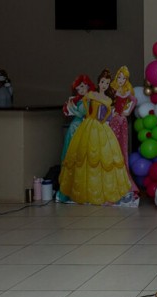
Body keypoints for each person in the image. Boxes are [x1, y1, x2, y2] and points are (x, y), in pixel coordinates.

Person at [58, 69, 131, 205]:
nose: (104, 85)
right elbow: (85, 101)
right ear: (98, 82)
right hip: (89, 123)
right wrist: (89, 115)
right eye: (102, 82)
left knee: (104, 156)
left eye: (107, 83)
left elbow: (108, 112)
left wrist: (103, 120)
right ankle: (84, 191)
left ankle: (103, 190)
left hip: (100, 126)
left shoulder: (108, 99)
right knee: (84, 154)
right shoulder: (92, 94)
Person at [57, 74, 96, 202]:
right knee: (72, 157)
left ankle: (83, 192)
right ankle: (70, 191)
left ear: (88, 86)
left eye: (82, 86)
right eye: (78, 88)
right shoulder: (78, 99)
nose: (80, 89)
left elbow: (83, 113)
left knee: (83, 158)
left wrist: (72, 107)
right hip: (75, 129)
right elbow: (71, 112)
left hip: (84, 129)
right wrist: (69, 106)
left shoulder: (90, 99)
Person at [109, 66, 139, 195]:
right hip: (113, 120)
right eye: (119, 77)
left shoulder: (127, 93)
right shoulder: (113, 91)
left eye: (124, 78)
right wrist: (112, 112)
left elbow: (134, 100)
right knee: (112, 144)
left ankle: (122, 175)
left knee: (122, 145)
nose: (121, 80)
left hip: (122, 121)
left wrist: (127, 112)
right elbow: (108, 104)